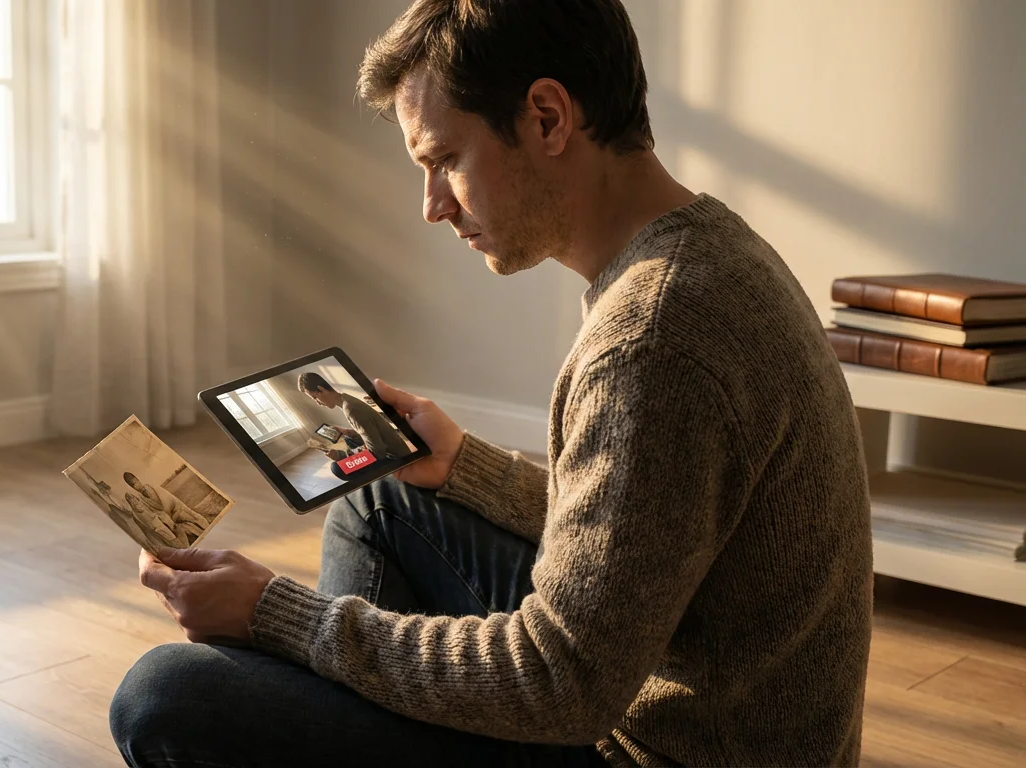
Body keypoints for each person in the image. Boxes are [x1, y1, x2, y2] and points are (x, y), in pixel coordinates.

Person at [111, 1, 872, 766]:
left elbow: (562, 683)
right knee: (382, 497)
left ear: (546, 118)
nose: (432, 205)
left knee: (164, 694)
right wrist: (465, 468)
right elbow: (649, 538)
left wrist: (278, 617)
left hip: (656, 749)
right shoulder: (707, 250)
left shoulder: (652, 339)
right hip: (709, 704)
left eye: (444, 160)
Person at [298, 372, 411, 460]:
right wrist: (346, 431)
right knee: (349, 438)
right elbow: (370, 431)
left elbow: (378, 451)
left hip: (396, 456)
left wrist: (341, 455)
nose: (318, 403)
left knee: (337, 468)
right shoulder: (346, 399)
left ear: (321, 389)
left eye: (314, 397)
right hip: (394, 447)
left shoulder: (351, 409)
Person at [124, 471, 210, 545]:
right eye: (134, 485)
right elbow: (156, 513)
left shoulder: (151, 485)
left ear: (138, 479)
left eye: (136, 482)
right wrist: (169, 520)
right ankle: (200, 536)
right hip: (169, 517)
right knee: (186, 529)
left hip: (176, 507)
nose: (137, 486)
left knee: (194, 517)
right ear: (132, 487)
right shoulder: (141, 500)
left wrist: (173, 511)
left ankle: (207, 528)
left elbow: (167, 498)